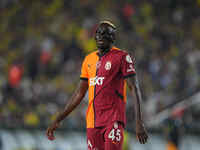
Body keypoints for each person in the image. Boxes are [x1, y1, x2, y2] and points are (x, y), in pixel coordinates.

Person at [46, 20, 148, 150]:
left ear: (113, 37)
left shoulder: (122, 57)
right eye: (98, 33)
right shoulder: (88, 60)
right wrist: (59, 118)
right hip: (93, 122)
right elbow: (79, 93)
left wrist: (139, 121)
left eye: (106, 33)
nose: (101, 36)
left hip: (113, 119)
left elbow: (134, 87)